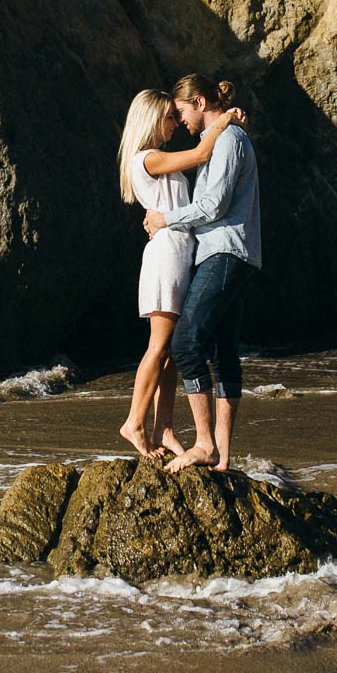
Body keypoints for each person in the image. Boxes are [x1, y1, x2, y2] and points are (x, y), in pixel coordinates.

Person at [115, 88, 244, 461]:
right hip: (167, 256)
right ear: (153, 118)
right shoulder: (148, 158)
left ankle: (164, 428)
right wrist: (227, 119)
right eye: (170, 117)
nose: (176, 123)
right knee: (159, 346)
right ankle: (134, 423)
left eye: (176, 115)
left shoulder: (152, 159)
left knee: (170, 349)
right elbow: (202, 153)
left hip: (177, 251)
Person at [144, 74, 261, 473]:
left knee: (186, 343)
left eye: (180, 112)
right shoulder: (221, 138)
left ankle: (206, 444)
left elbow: (212, 206)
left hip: (225, 252)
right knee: (224, 352)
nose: (181, 122)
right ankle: (223, 458)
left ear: (197, 101)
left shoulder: (228, 140)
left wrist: (165, 220)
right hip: (234, 253)